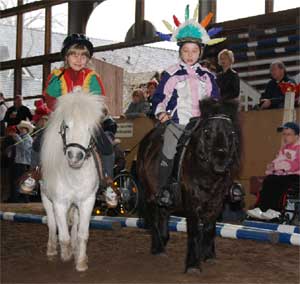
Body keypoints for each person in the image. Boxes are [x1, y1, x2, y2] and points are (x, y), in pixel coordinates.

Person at [153, 8, 224, 206]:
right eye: (186, 51)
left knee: (223, 145)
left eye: (194, 51)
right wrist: (161, 113)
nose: (190, 55)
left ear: (200, 52)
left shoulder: (208, 76)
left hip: (203, 125)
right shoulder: (171, 73)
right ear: (180, 52)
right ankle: (164, 189)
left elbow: (215, 99)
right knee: (168, 147)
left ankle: (225, 186)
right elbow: (160, 96)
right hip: (179, 123)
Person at [247, 122, 300, 220]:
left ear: (297, 136)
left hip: (296, 176)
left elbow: (296, 165)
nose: (285, 137)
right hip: (284, 175)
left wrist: (278, 166)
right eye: (284, 134)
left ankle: (276, 210)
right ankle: (261, 208)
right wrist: (271, 167)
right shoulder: (284, 149)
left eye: (288, 134)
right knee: (269, 179)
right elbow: (278, 160)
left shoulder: (298, 148)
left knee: (279, 181)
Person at [8, 120, 34, 202]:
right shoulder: (22, 137)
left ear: (26, 130)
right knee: (19, 180)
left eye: (23, 129)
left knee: (21, 180)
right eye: (21, 129)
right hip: (19, 161)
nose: (21, 130)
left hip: (23, 162)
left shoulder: (28, 138)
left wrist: (17, 138)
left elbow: (25, 148)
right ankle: (19, 198)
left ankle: (21, 199)